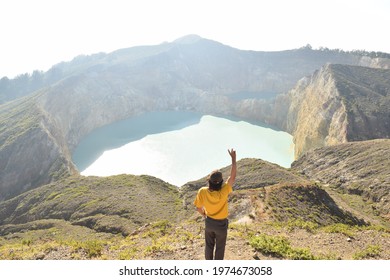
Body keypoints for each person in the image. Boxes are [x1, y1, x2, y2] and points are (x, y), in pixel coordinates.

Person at [194, 148, 237, 260]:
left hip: (209, 222)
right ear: (222, 183)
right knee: (220, 247)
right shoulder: (224, 190)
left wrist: (204, 215)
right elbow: (232, 177)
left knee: (209, 246)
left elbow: (198, 208)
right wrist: (233, 159)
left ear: (209, 181)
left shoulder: (202, 191)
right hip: (221, 224)